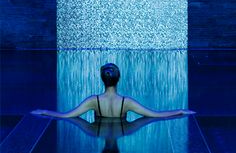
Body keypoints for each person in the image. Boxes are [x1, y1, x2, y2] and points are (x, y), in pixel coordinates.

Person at [31, 63, 195, 119]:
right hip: (121, 127)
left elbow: (67, 115)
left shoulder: (93, 101)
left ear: (102, 80)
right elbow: (154, 114)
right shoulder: (127, 102)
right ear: (119, 79)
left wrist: (44, 111)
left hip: (99, 127)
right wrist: (180, 111)